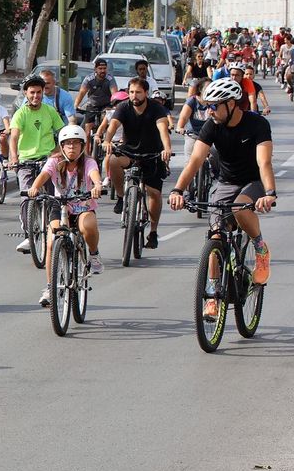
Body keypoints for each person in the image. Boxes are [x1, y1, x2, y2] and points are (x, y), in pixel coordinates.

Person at [168, 78, 276, 319]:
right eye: (208, 106)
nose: (210, 111)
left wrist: (269, 193)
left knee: (240, 210)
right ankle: (212, 293)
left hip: (254, 181)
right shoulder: (212, 125)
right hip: (225, 183)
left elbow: (264, 162)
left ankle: (260, 248)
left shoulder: (257, 124)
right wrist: (177, 190)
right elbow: (195, 161)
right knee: (215, 236)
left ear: (231, 104)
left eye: (214, 106)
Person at [28, 125, 104, 307]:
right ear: (61, 146)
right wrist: (35, 187)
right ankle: (49, 287)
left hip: (82, 205)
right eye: (68, 144)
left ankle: (93, 254)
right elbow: (44, 174)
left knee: (88, 227)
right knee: (51, 239)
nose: (72, 148)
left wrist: (97, 185)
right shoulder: (54, 161)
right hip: (60, 204)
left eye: (76, 144)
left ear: (83, 146)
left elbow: (95, 175)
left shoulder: (88, 162)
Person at [101, 77, 173, 249]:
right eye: (131, 92)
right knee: (112, 160)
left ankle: (153, 232)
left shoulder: (156, 108)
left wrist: (167, 149)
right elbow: (113, 126)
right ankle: (120, 196)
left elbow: (163, 129)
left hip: (152, 154)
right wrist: (107, 141)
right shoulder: (123, 107)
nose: (134, 96)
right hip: (129, 152)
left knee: (154, 194)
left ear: (146, 93)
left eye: (138, 92)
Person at [9, 76, 65, 253]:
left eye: (38, 92)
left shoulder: (50, 111)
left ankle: (54, 229)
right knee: (27, 197)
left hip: (48, 160)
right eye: (32, 92)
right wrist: (14, 158)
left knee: (52, 197)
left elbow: (63, 134)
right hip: (26, 161)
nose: (35, 96)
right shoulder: (21, 113)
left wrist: (57, 151)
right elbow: (14, 137)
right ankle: (28, 235)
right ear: (26, 93)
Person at [174, 78, 212, 161]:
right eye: (207, 88)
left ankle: (215, 173)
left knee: (215, 155)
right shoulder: (192, 101)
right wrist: (180, 127)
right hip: (193, 135)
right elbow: (183, 117)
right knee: (189, 159)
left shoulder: (214, 102)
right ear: (200, 89)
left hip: (209, 136)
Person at [74, 59, 116, 133]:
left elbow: (115, 94)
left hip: (106, 105)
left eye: (104, 68)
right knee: (86, 130)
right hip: (92, 105)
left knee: (107, 125)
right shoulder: (89, 79)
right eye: (100, 68)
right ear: (95, 69)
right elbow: (82, 93)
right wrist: (76, 105)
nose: (103, 71)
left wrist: (114, 106)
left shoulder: (110, 79)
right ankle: (87, 144)